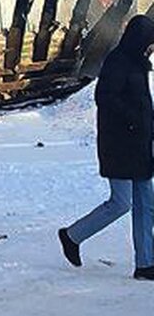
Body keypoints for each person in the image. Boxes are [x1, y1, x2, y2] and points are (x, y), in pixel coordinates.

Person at [58, 14, 154, 278]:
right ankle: (72, 235)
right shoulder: (118, 62)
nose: (152, 48)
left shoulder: (138, 63)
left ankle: (146, 264)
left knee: (146, 203)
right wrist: (135, 121)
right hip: (120, 145)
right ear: (138, 39)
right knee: (121, 203)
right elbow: (105, 97)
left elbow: (142, 101)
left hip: (140, 144)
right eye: (149, 42)